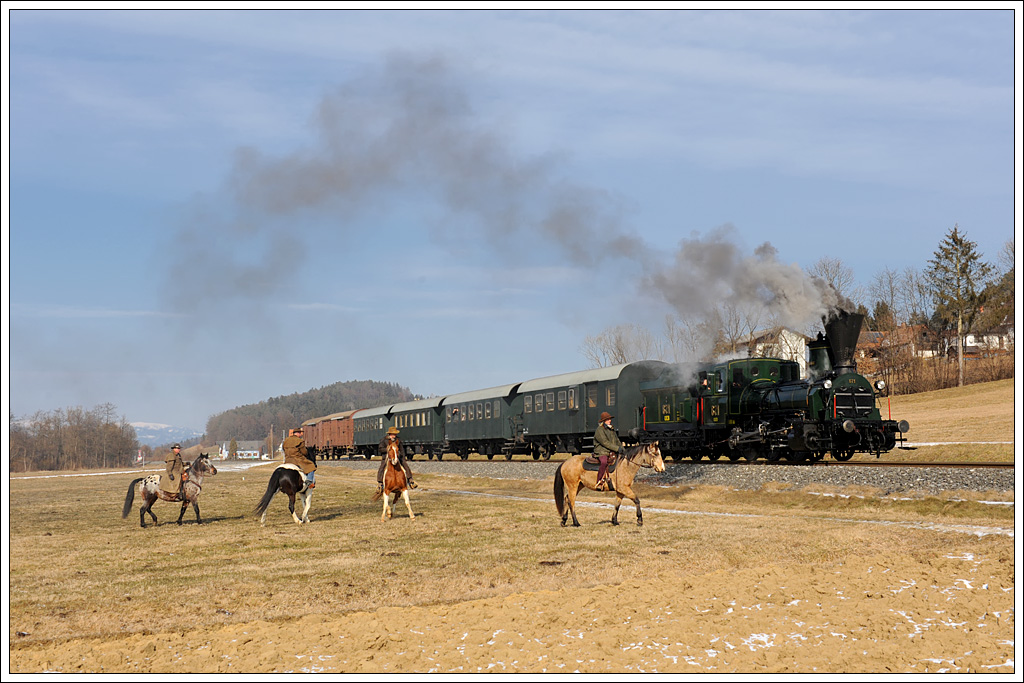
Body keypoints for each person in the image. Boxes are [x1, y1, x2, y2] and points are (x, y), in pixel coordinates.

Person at [376, 427, 417, 494]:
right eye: (392, 434)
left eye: (394, 434)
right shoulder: (384, 440)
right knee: (382, 467)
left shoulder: (398, 440)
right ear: (389, 434)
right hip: (387, 457)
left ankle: (410, 480)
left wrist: (401, 456)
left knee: (405, 465)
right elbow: (380, 449)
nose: (393, 436)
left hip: (397, 456)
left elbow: (401, 449)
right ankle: (380, 483)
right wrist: (387, 449)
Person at [593, 412, 622, 491]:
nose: (609, 421)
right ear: (603, 421)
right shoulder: (600, 430)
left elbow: (617, 440)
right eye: (607, 419)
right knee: (604, 462)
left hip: (610, 450)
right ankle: (599, 481)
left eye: (610, 419)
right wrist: (616, 448)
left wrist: (621, 448)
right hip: (602, 451)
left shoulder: (611, 429)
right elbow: (605, 442)